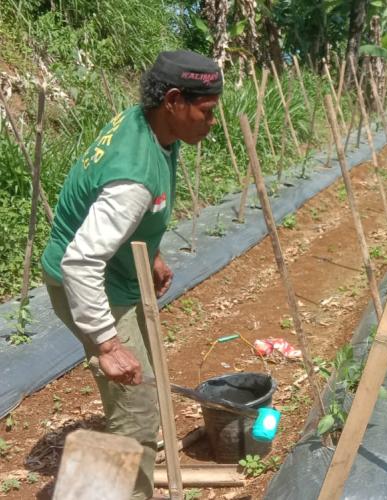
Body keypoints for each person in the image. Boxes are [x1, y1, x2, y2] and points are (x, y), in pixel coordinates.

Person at [41, 50, 222, 500]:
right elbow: (81, 261)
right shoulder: (133, 178)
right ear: (175, 101)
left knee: (141, 391)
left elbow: (132, 218)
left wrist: (153, 254)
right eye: (207, 111)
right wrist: (107, 343)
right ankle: (112, 492)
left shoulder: (152, 125)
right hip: (89, 281)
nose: (212, 122)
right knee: (137, 410)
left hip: (113, 273)